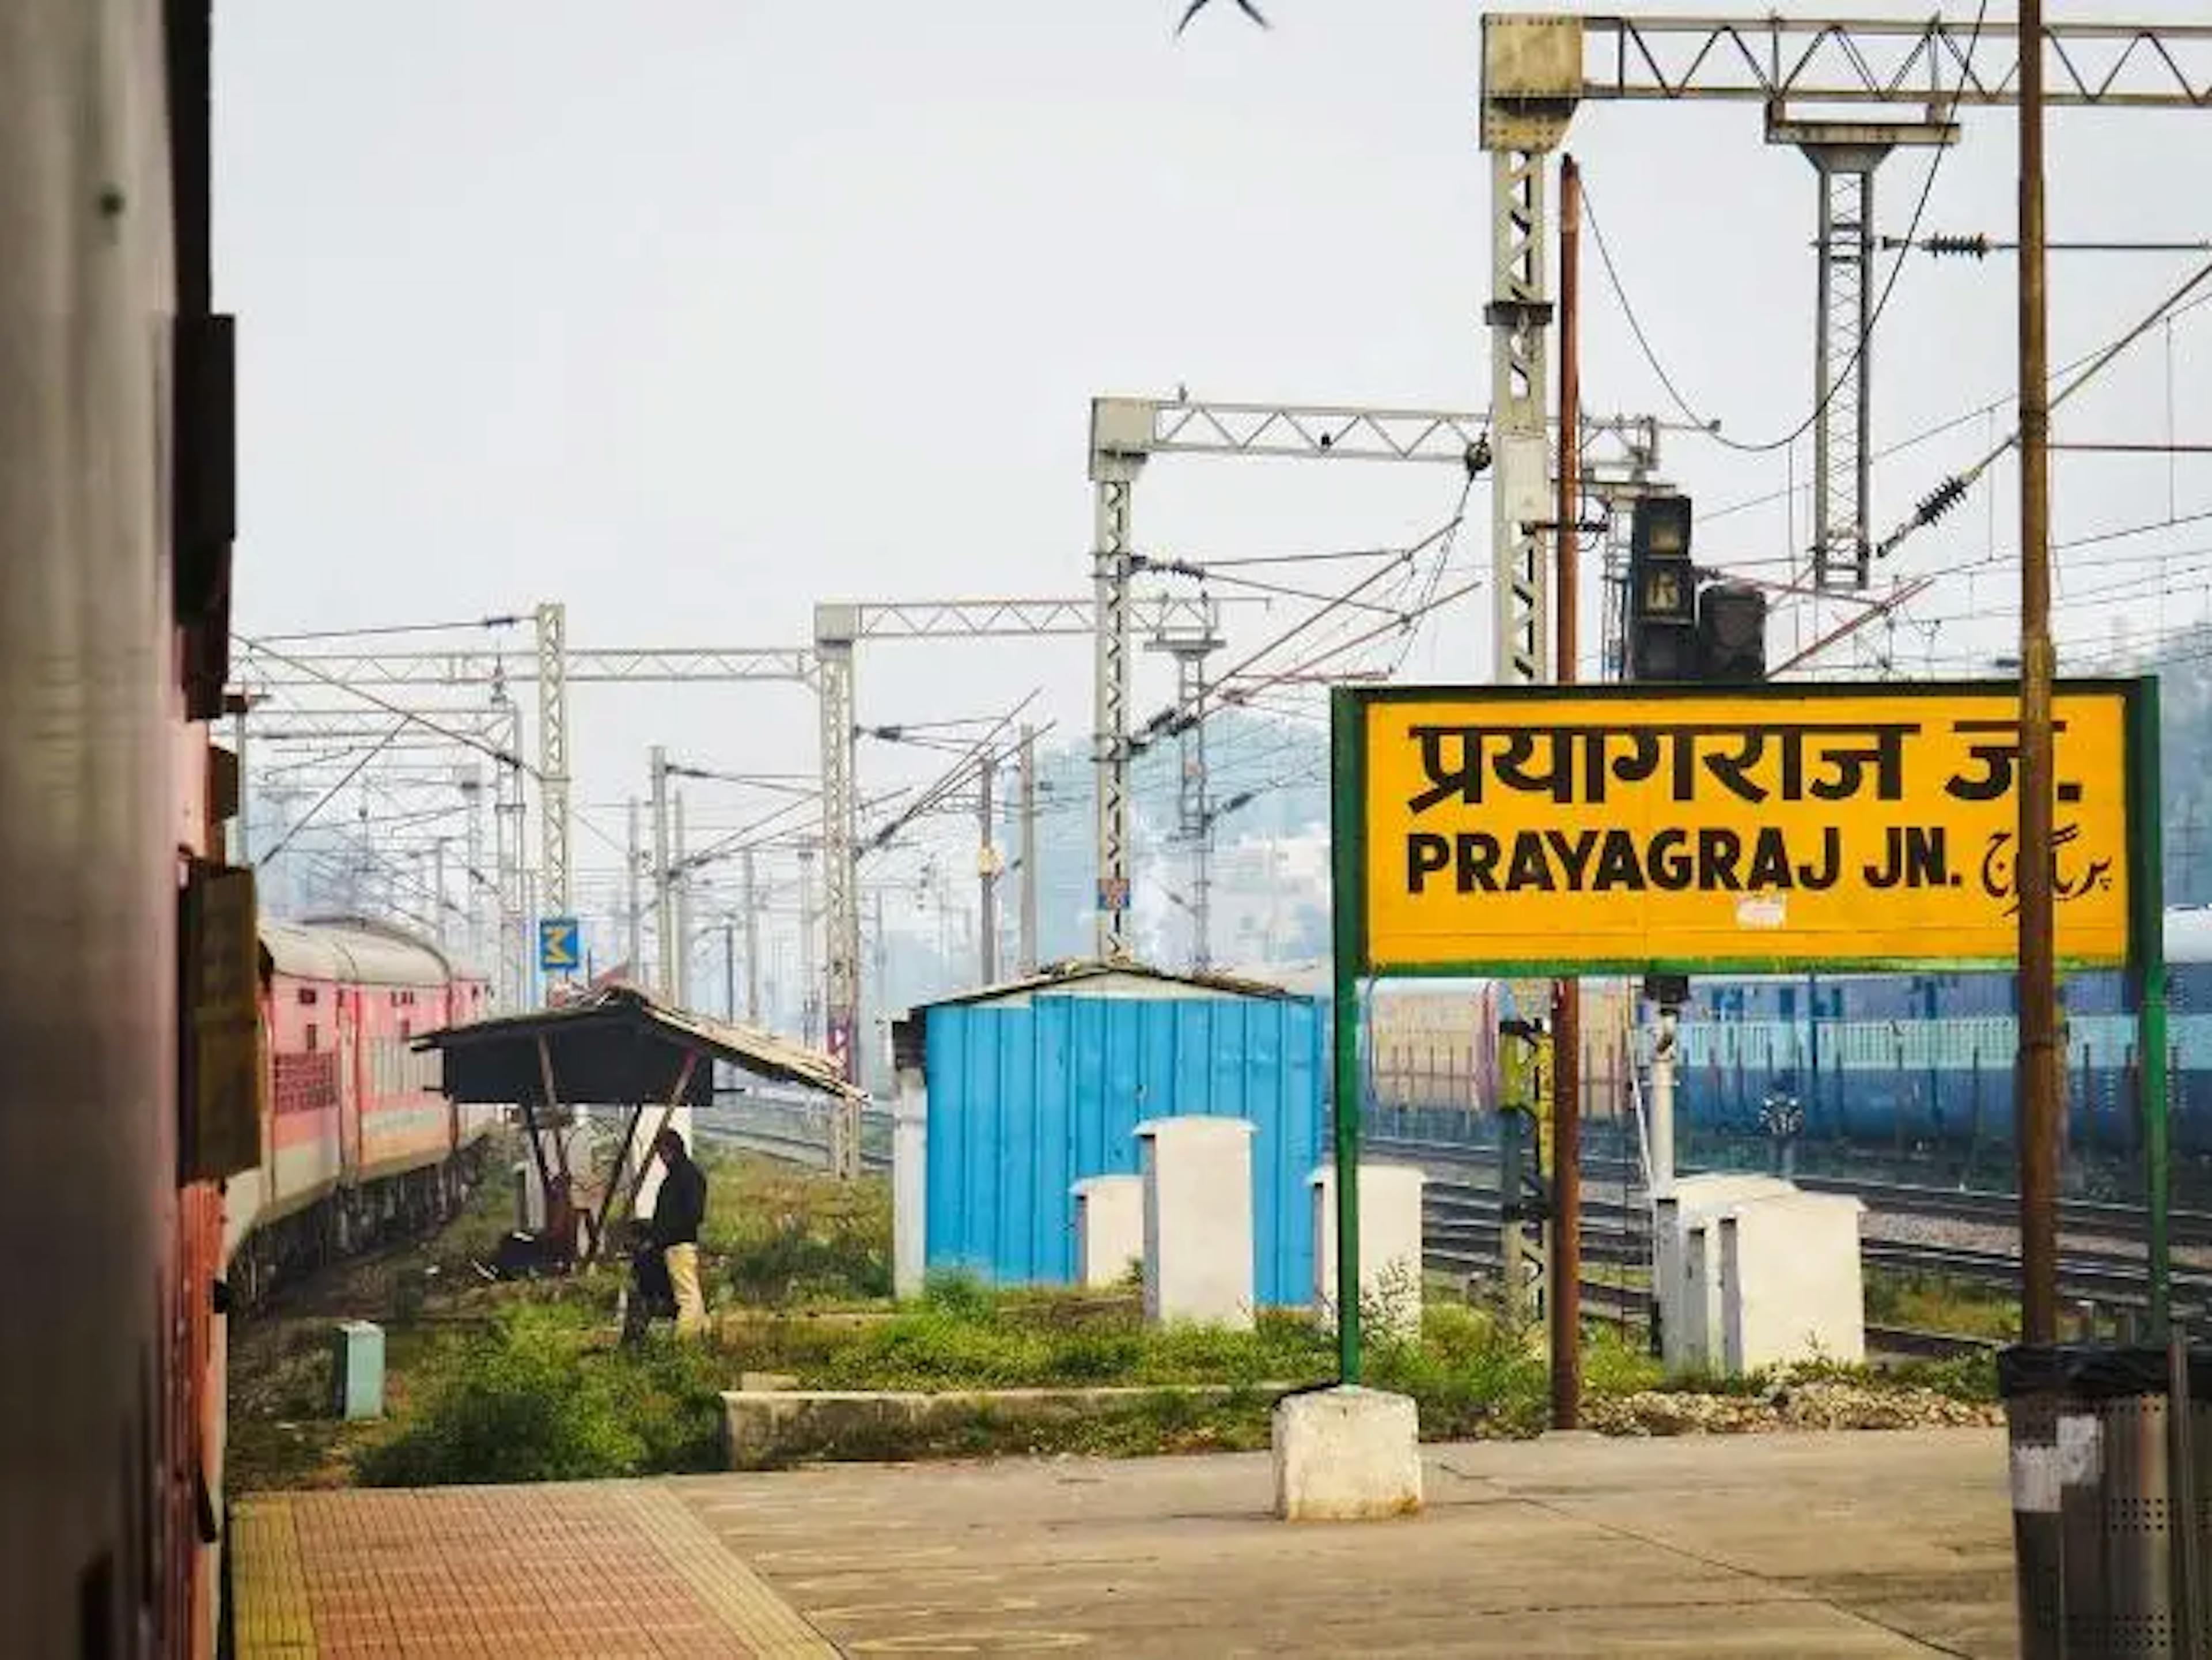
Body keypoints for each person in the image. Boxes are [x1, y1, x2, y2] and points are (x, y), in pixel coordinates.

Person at [647, 1126, 709, 1336]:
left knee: (686, 1298)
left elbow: (693, 1214)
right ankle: (702, 1336)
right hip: (678, 1243)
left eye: (662, 1153)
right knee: (692, 1294)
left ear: (670, 1150)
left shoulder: (684, 1177)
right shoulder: (684, 1175)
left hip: (678, 1244)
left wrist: (664, 1234)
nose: (661, 1159)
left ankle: (683, 1342)